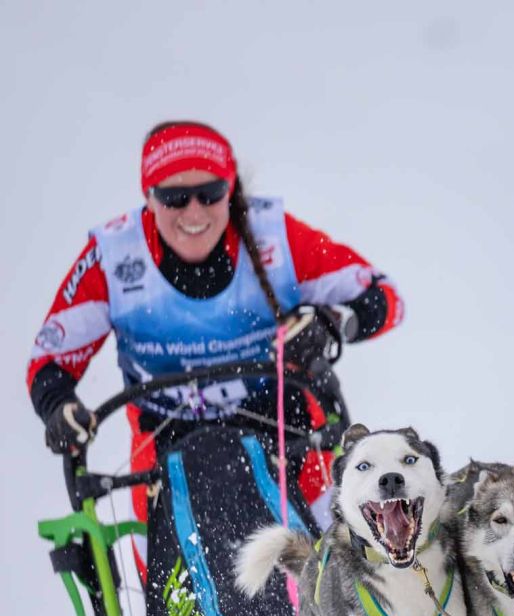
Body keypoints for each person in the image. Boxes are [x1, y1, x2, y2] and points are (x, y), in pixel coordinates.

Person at [27, 120, 404, 581]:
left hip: (288, 440)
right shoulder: (114, 256)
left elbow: (387, 299)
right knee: (175, 597)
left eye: (209, 193)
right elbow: (50, 361)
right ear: (149, 197)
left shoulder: (276, 237)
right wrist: (58, 406)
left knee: (342, 583)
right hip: (165, 455)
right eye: (174, 197)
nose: (194, 211)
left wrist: (332, 323)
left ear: (230, 191)